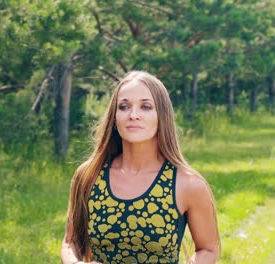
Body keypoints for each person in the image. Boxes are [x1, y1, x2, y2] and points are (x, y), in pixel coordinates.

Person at [60, 70, 219, 264]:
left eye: (145, 106)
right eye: (124, 106)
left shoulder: (188, 184)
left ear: (162, 115)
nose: (133, 115)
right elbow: (71, 242)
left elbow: (208, 249)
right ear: (114, 117)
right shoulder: (88, 176)